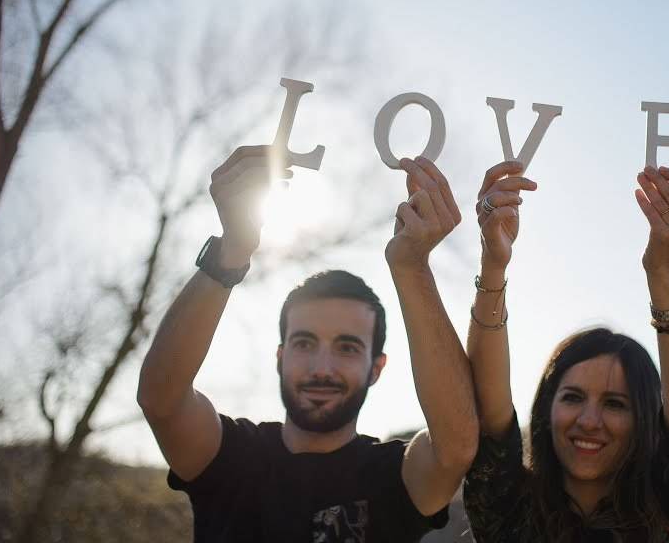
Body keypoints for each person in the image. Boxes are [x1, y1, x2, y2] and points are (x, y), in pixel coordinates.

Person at [137, 146, 477, 542]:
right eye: (304, 343)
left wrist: (412, 266)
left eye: (347, 347)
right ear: (280, 357)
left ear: (377, 367)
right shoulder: (230, 457)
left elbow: (456, 448)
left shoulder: (391, 476)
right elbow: (161, 398)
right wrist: (231, 250)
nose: (321, 367)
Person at [463, 162, 669, 543]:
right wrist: (492, 264)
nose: (588, 420)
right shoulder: (508, 508)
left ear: (645, 420)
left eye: (615, 404)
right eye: (572, 397)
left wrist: (664, 269)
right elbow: (488, 407)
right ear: (546, 407)